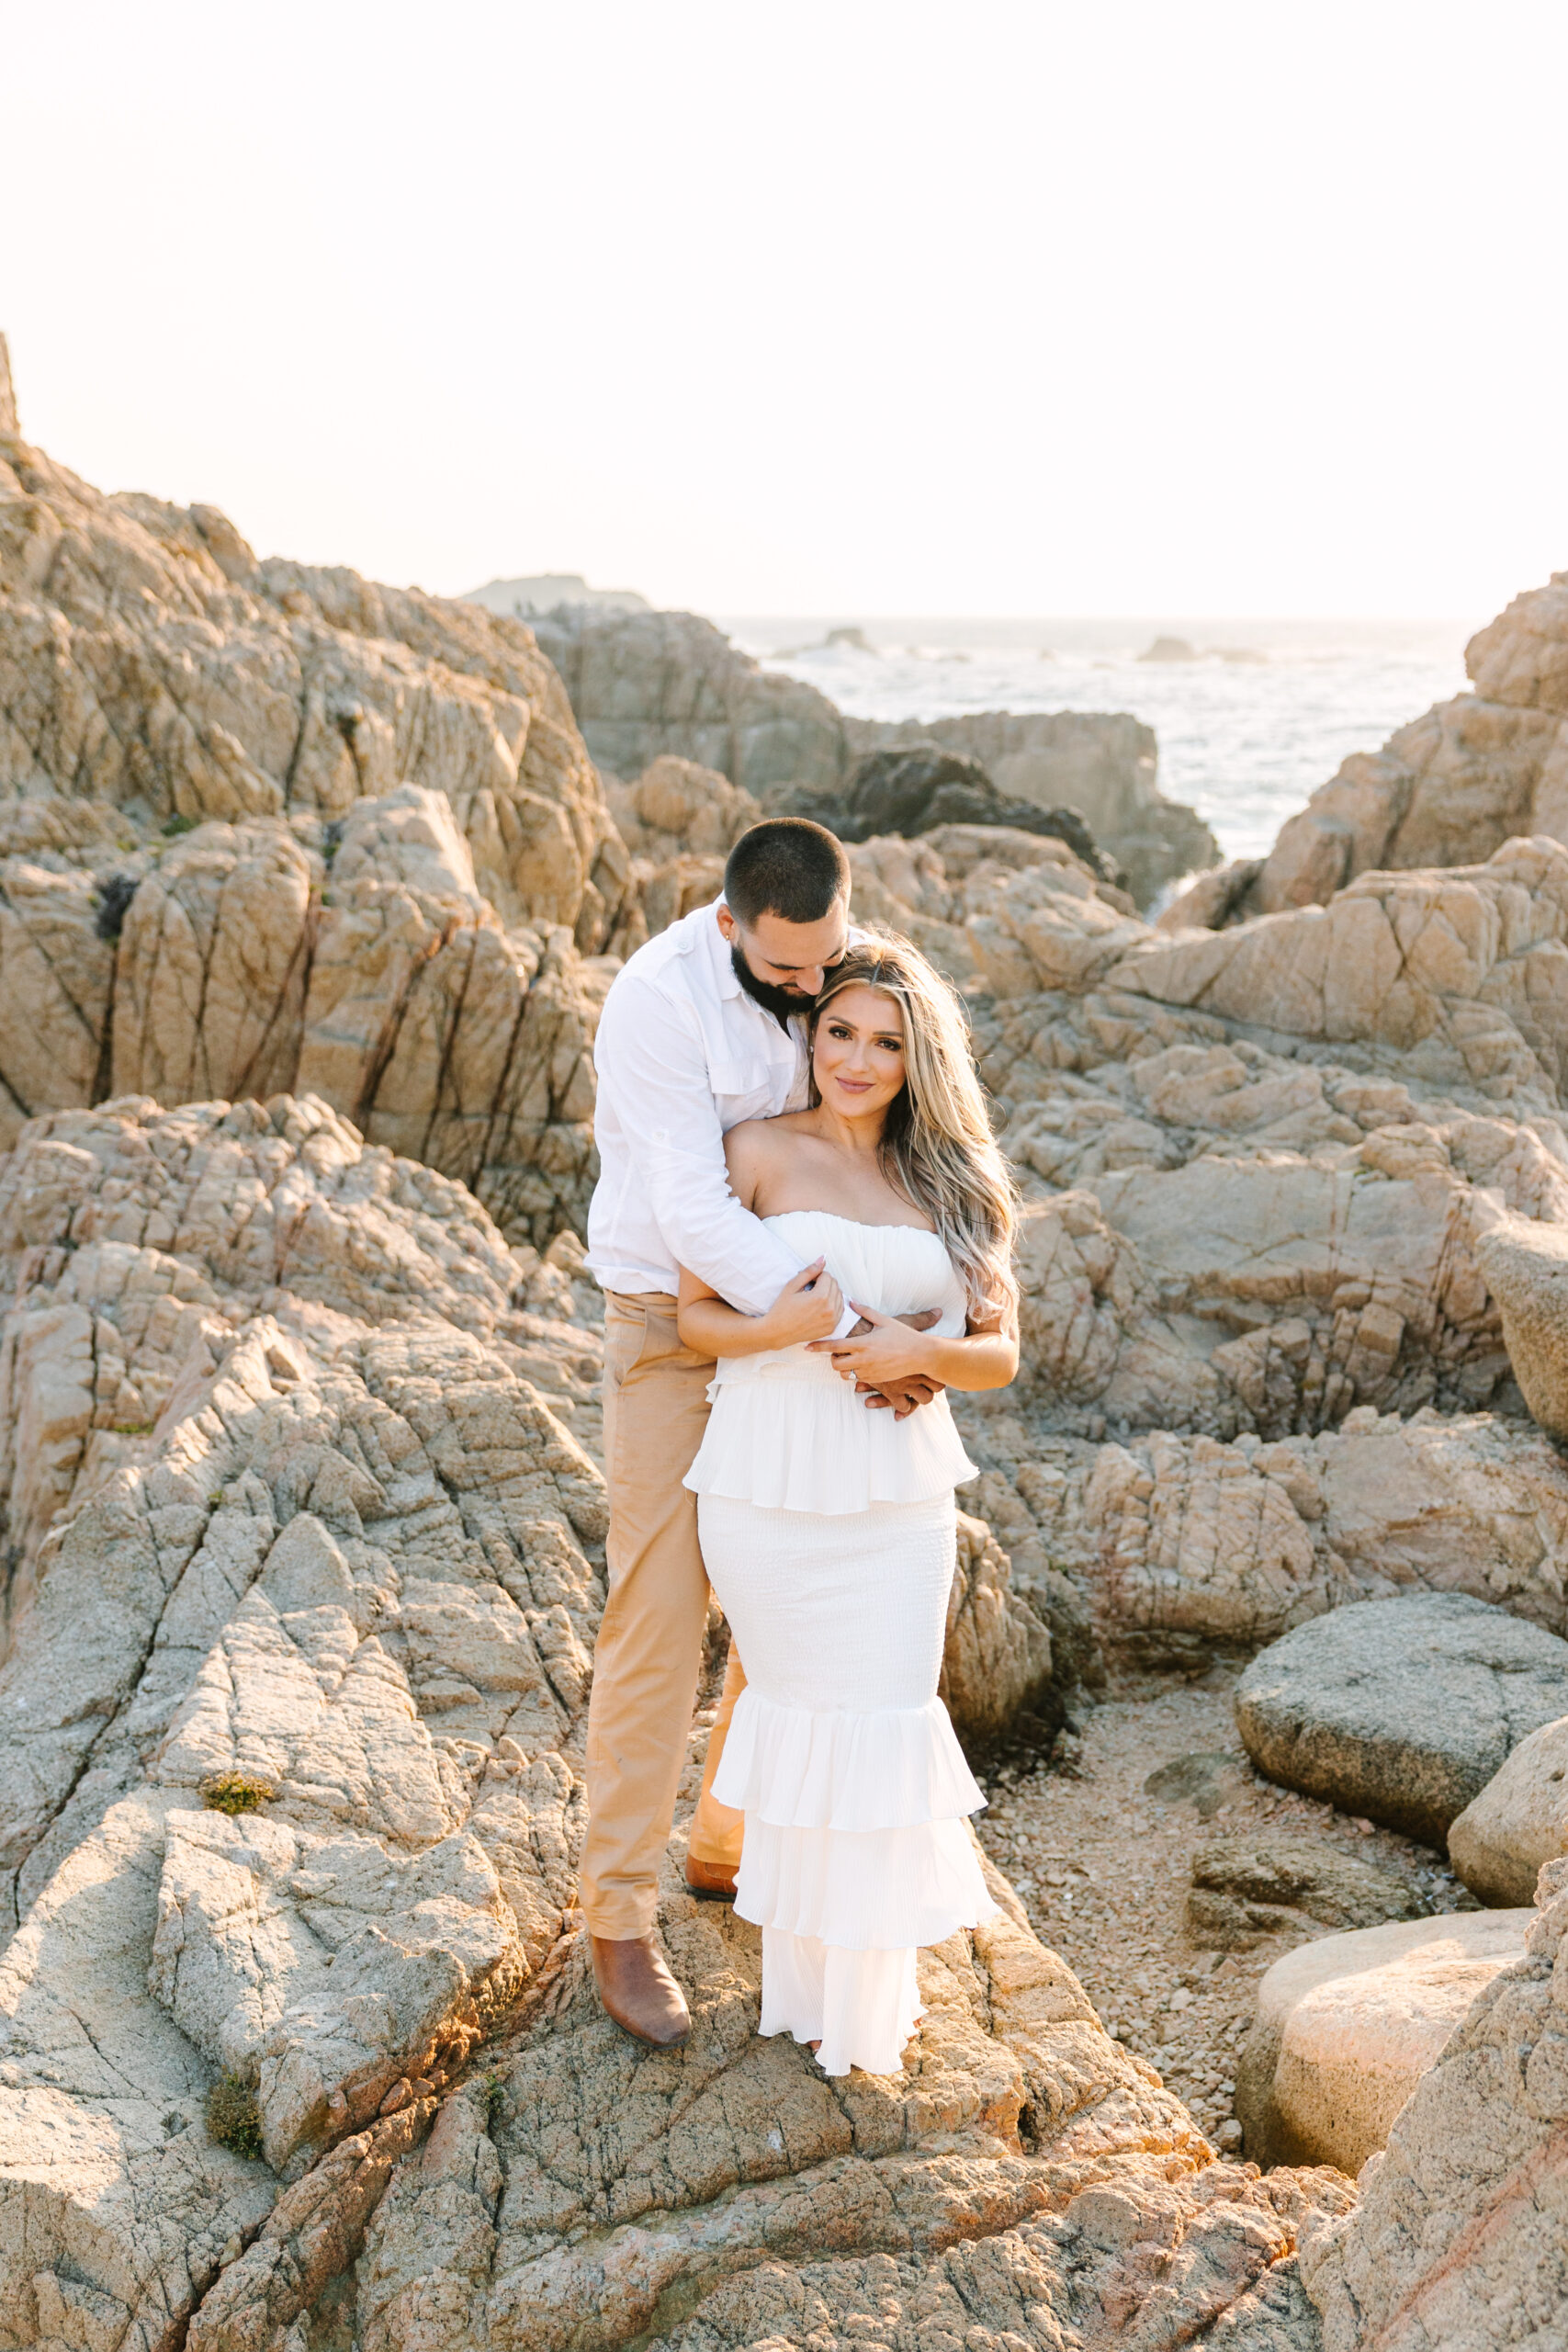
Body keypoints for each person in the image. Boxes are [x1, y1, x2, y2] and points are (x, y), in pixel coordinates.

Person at [581, 820, 943, 2049]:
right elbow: (688, 1205)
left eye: (822, 969)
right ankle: (617, 1925)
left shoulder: (827, 966)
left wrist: (925, 1327)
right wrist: (858, 1330)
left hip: (812, 1335)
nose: (807, 996)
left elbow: (891, 1124)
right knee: (661, 1614)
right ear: (725, 923)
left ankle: (724, 1846)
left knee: (785, 1606)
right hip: (675, 1329)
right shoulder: (655, 1003)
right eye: (786, 976)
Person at [674, 934, 1020, 2075]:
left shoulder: (952, 1179)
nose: (859, 1059)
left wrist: (916, 1347)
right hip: (766, 1478)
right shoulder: (752, 1152)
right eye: (841, 1031)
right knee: (800, 1717)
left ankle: (869, 2002)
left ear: (920, 1057)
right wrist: (788, 1326)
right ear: (809, 1032)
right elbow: (698, 1323)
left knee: (880, 1722)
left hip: (897, 1493)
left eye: (886, 1041)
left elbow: (999, 1352)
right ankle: (806, 1984)